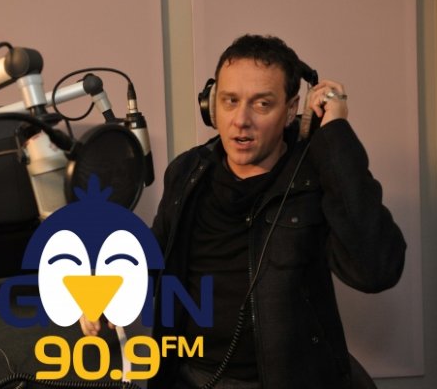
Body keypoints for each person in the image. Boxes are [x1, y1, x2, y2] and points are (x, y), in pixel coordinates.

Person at [81, 34, 406, 388]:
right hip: (189, 378)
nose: (241, 120)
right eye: (230, 101)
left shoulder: (315, 176)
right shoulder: (188, 171)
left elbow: (376, 270)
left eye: (262, 104)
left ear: (290, 110)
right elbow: (155, 254)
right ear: (211, 106)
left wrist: (335, 134)